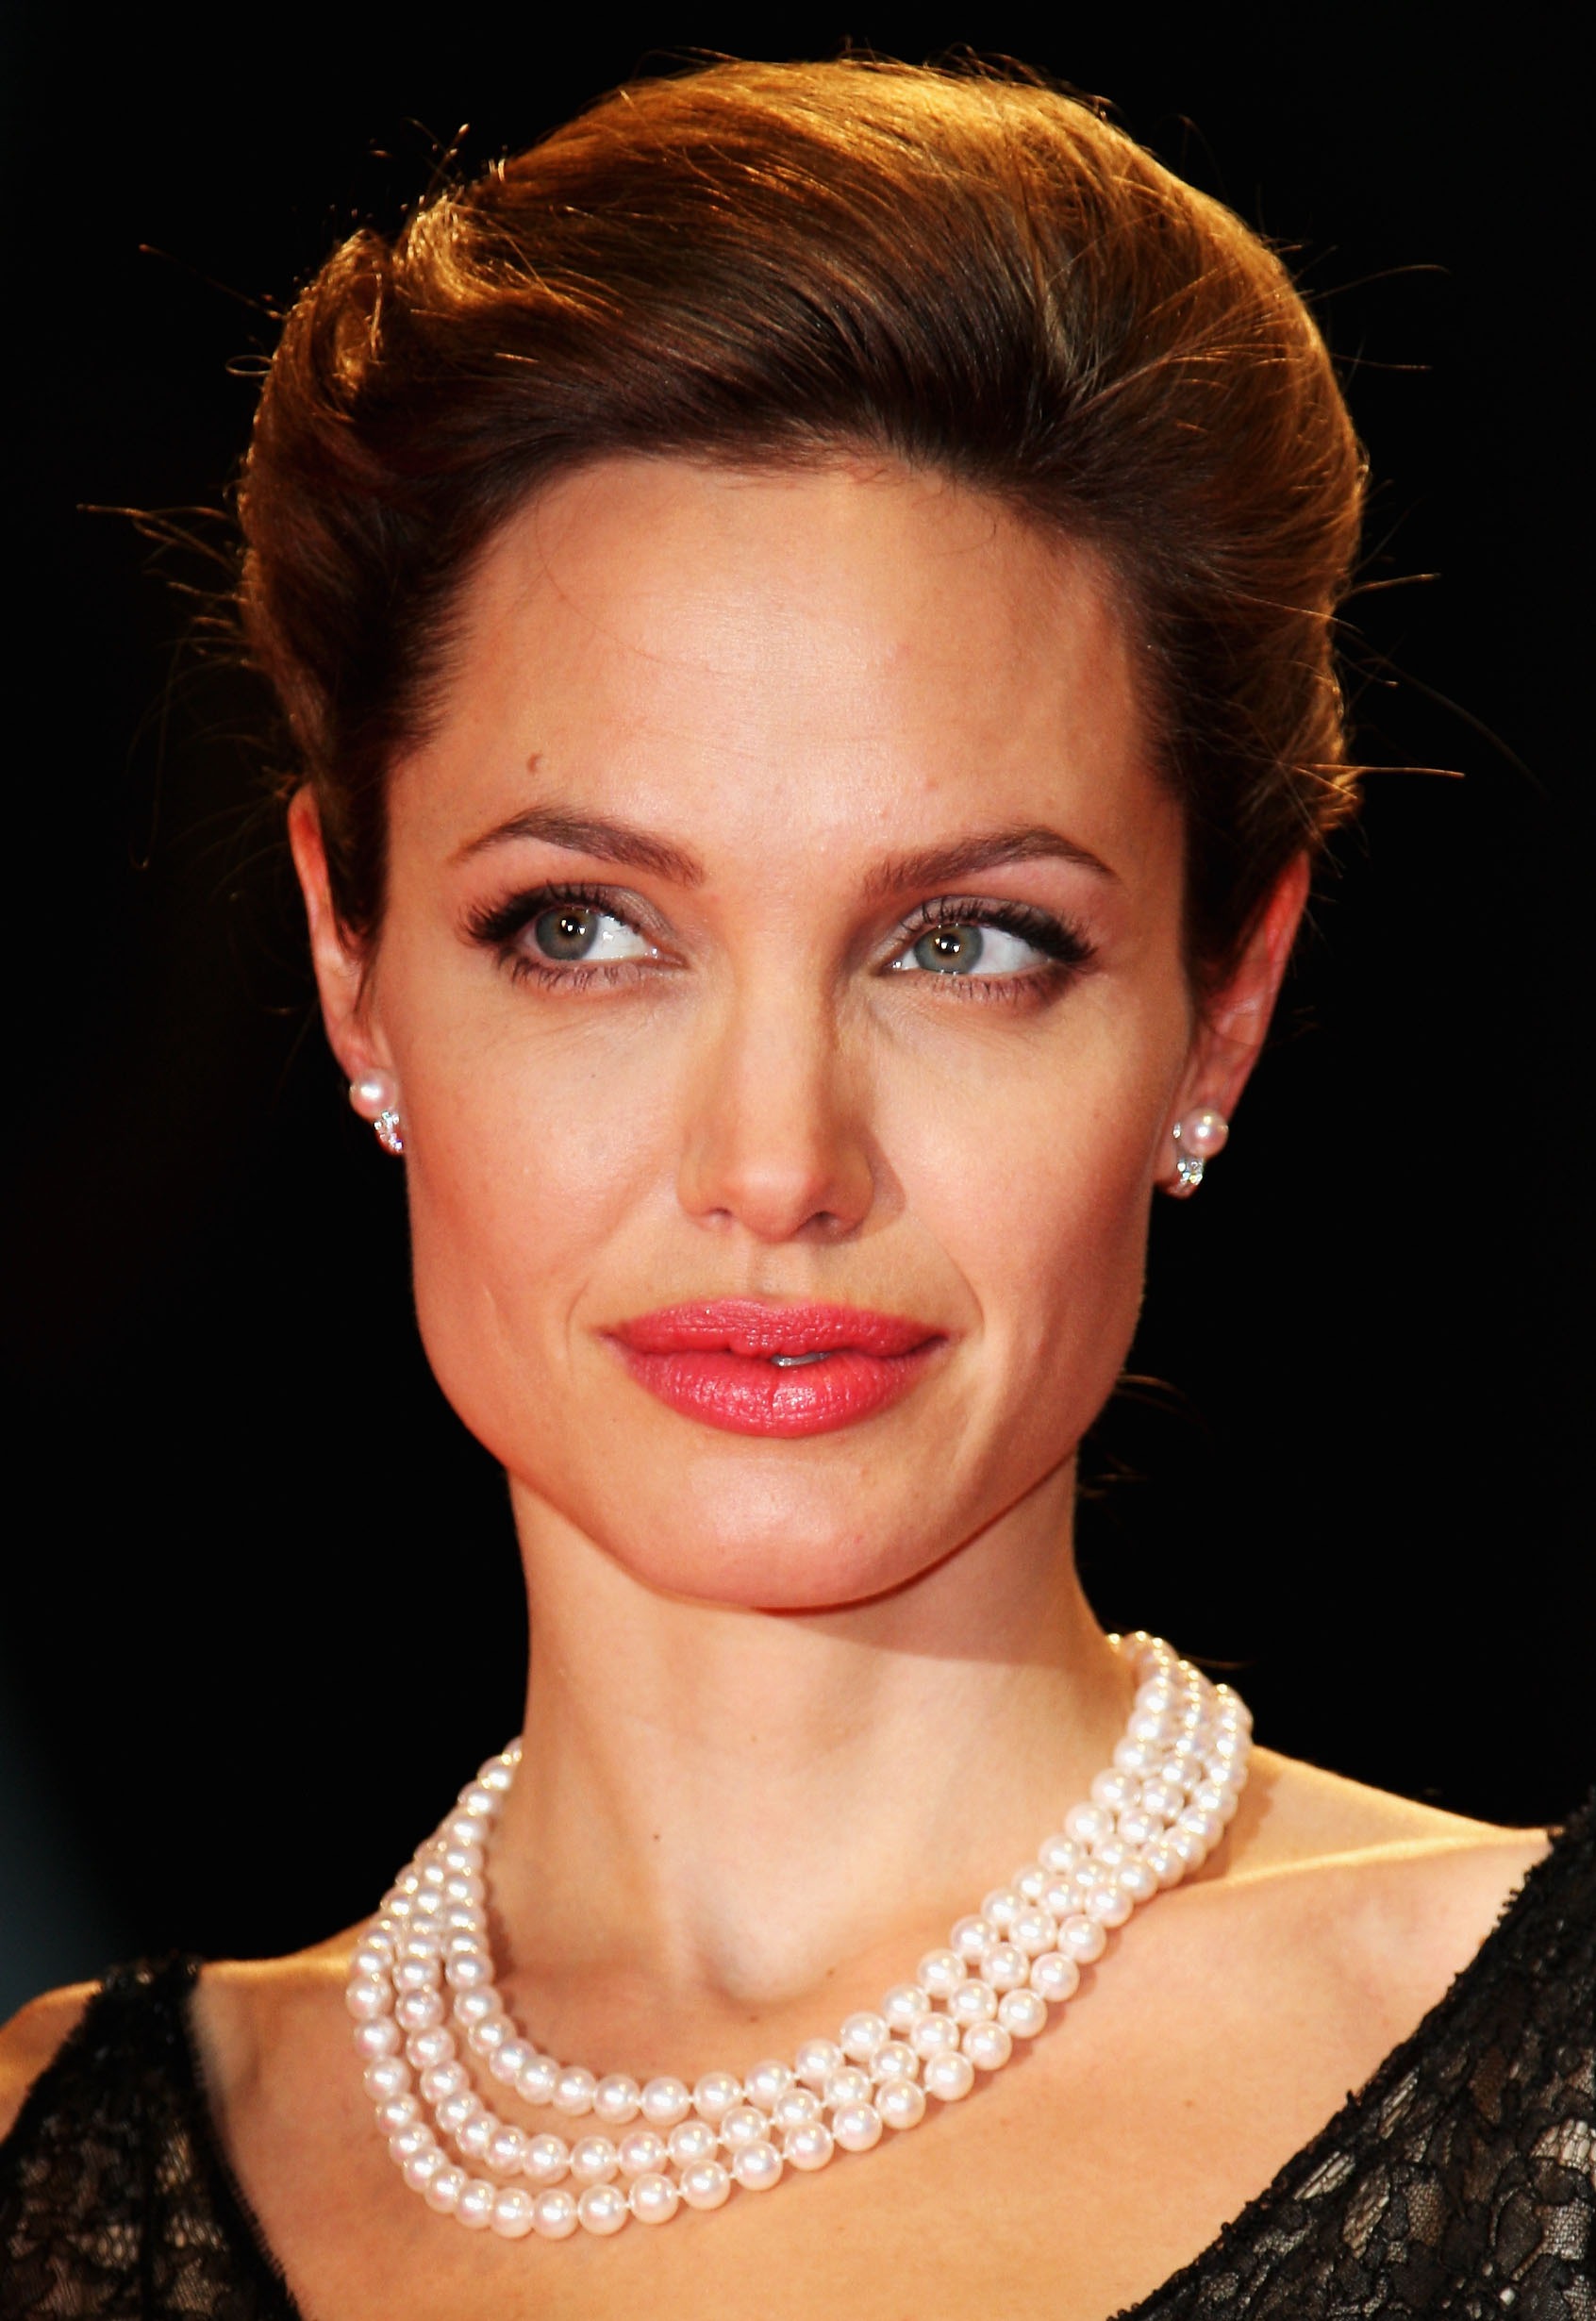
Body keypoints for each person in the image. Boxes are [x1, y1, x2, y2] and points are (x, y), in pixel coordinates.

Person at [1, 56, 1589, 2321]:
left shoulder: (1547, 2100)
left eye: (968, 945)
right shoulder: (59, 2184)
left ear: (1224, 1004)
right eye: (584, 928)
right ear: (353, 968)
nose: (775, 1165)